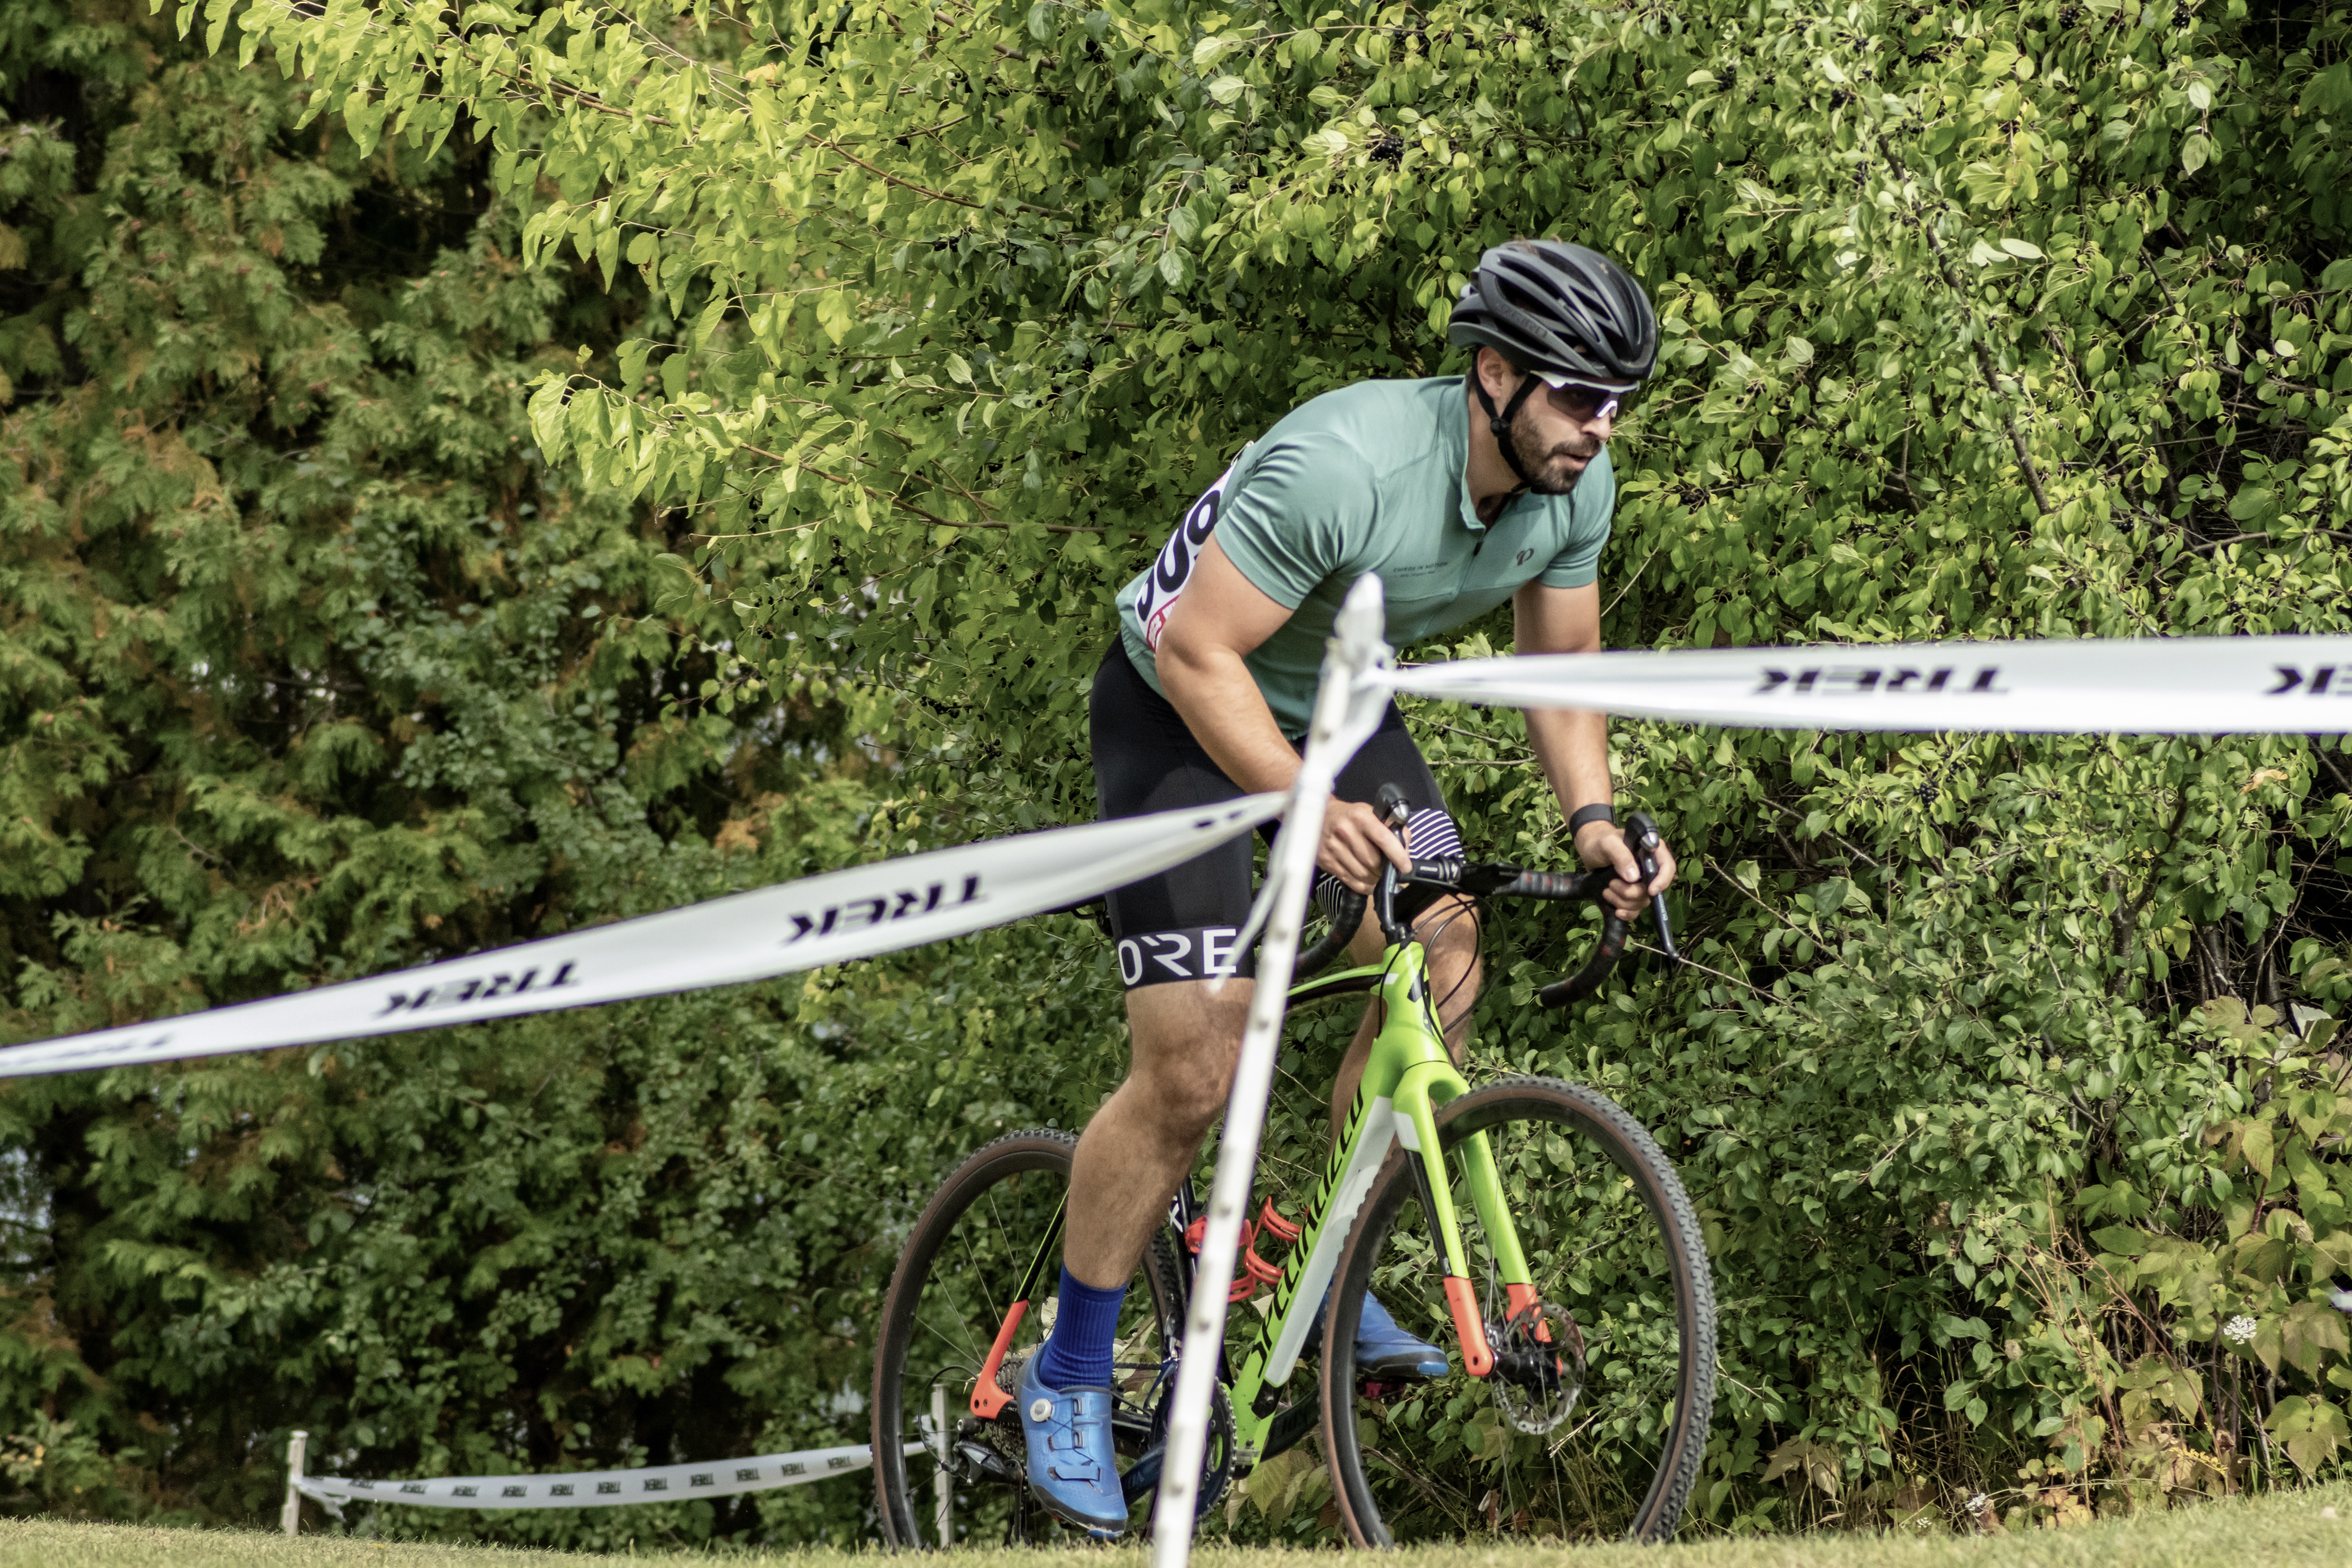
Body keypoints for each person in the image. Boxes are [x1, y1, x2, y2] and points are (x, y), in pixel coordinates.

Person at [1018, 239, 1680, 1536]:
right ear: (1496, 374)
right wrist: (1299, 804)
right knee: (1197, 1068)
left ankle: (1320, 1271)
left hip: (1337, 703)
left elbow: (1561, 672)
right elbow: (1194, 650)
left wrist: (1595, 822)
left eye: (1618, 404)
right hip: (1179, 706)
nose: (1601, 428)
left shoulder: (1572, 486)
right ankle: (1071, 1369)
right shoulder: (1348, 465)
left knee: (1446, 943)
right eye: (1578, 397)